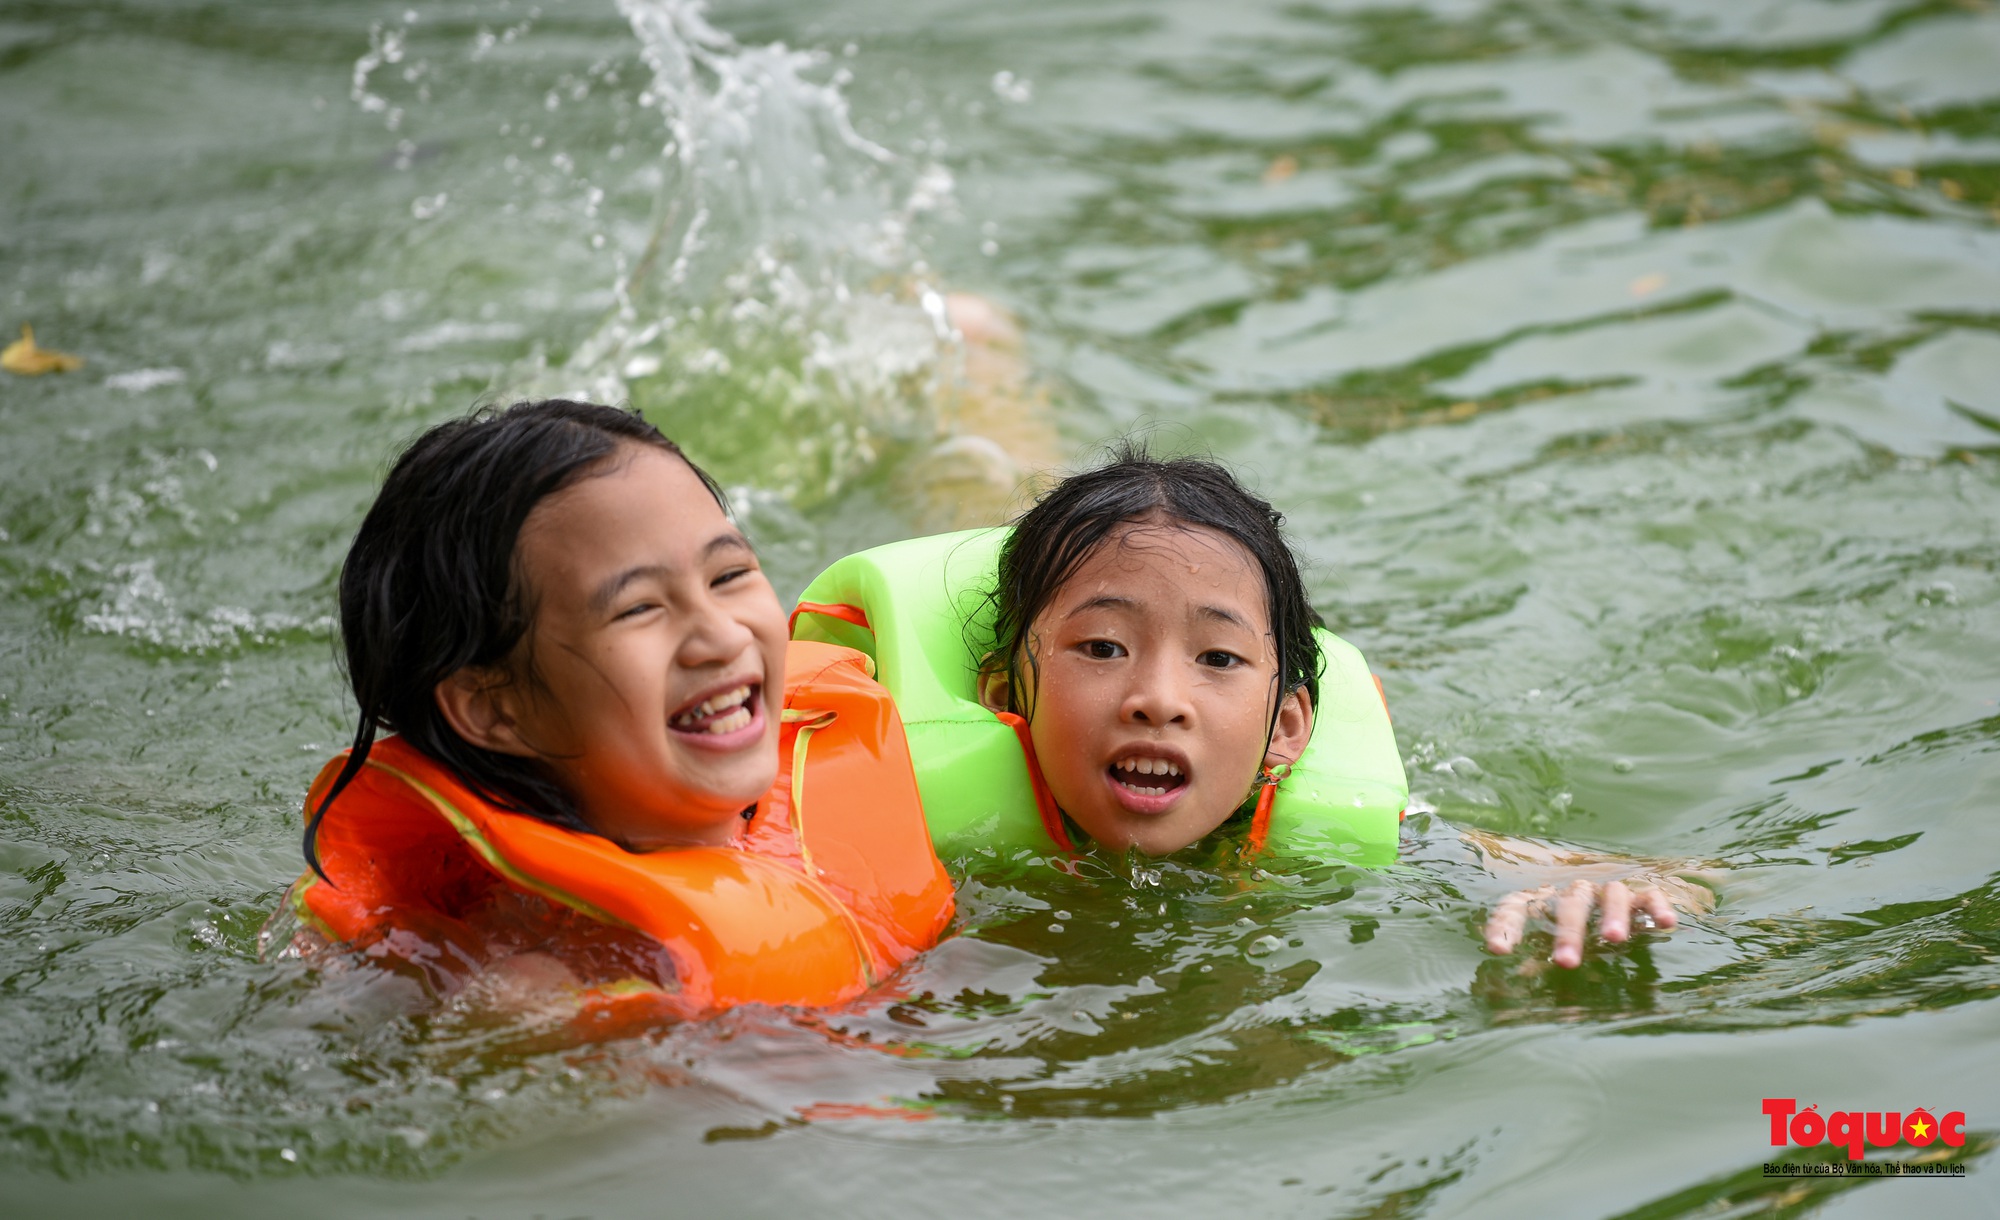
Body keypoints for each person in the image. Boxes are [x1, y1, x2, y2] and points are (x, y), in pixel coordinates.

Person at [274, 399, 954, 1021]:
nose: (722, 636)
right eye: (639, 609)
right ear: (496, 709)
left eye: (729, 575)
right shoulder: (551, 990)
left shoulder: (832, 754)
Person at [965, 445, 1704, 968]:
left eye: (1218, 658)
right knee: (981, 478)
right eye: (1102, 648)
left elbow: (1702, 879)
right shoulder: (919, 826)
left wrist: (1608, 896)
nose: (1158, 701)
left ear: (1285, 728)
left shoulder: (1386, 840)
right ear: (1007, 695)